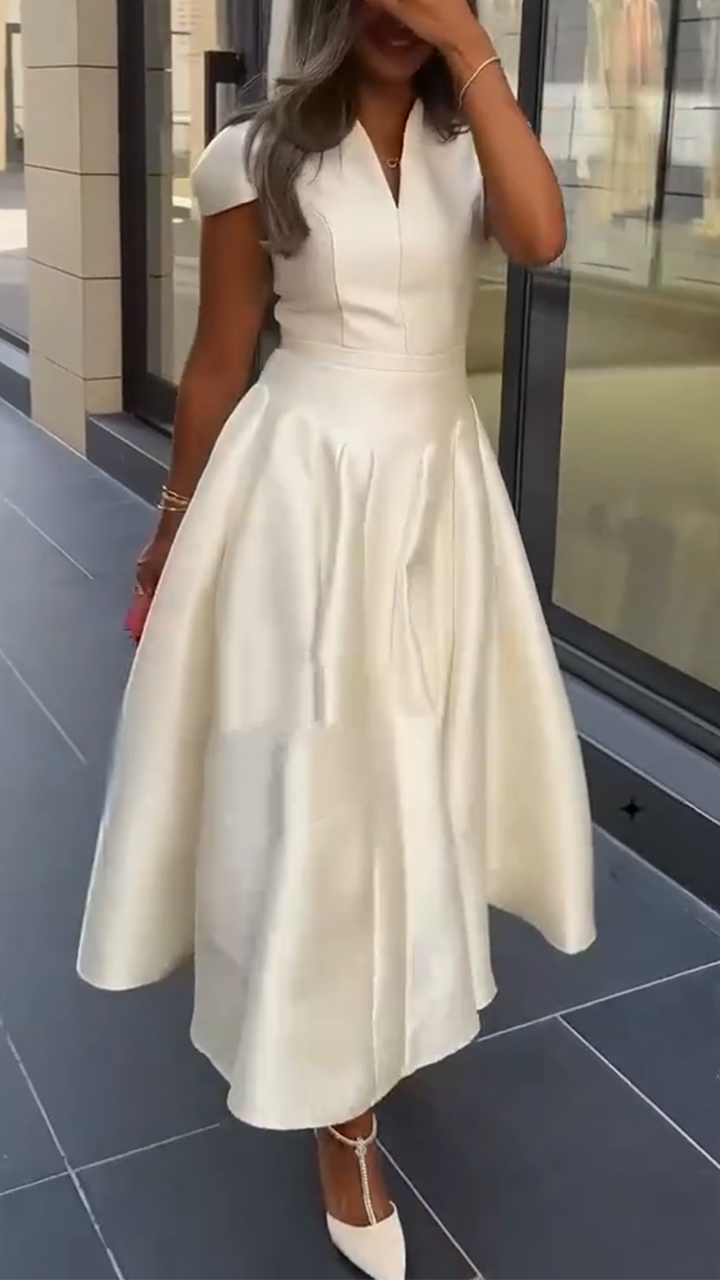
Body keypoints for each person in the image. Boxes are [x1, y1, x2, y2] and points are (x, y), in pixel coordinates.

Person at [77, 1, 595, 1276]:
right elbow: (217, 360)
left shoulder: (476, 140)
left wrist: (470, 51)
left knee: (420, 773)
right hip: (303, 496)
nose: (403, 16)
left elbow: (542, 238)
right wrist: (171, 526)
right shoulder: (253, 154)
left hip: (438, 497)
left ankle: (389, 996)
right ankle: (340, 1111)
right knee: (321, 782)